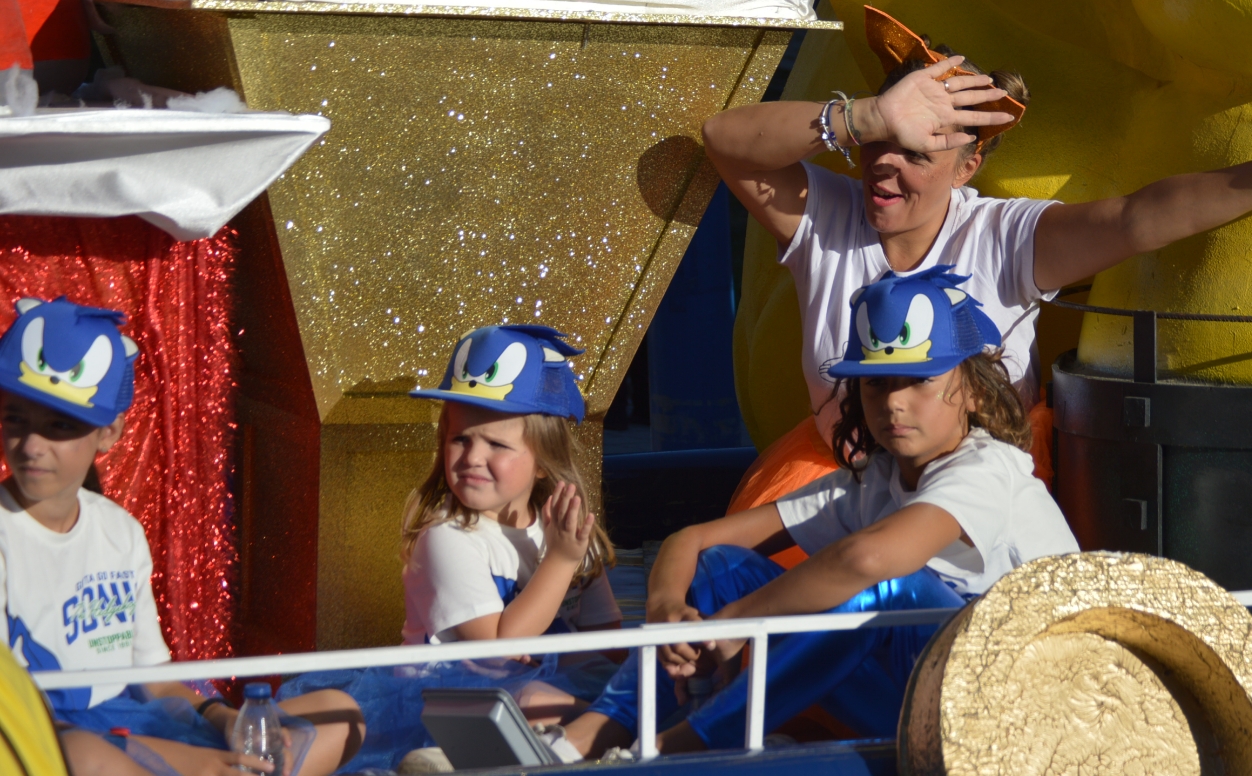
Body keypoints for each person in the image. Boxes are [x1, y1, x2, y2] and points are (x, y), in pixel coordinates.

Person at [707, 6, 1252, 514]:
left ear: (967, 165)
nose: (885, 167)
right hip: (848, 482)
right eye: (878, 145)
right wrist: (863, 116)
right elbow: (721, 139)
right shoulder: (828, 214)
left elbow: (1138, 219)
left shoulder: (1002, 237)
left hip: (970, 497)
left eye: (916, 152)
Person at [552, 266, 1080, 759]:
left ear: (971, 391)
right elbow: (693, 541)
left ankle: (677, 748)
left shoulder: (988, 468)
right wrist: (668, 609)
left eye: (918, 379)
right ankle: (587, 740)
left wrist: (740, 620)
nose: (894, 402)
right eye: (876, 382)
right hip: (919, 705)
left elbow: (870, 560)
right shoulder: (875, 480)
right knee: (722, 567)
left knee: (891, 592)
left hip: (1014, 718)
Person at [0, 296, 364, 776]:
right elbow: (18, 713)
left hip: (138, 722)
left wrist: (225, 720)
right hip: (50, 736)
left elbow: (154, 679)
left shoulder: (119, 531)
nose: (31, 445)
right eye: (14, 419)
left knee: (341, 712)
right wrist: (193, 762)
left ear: (108, 433)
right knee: (87, 760)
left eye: (60, 425)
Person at [279, 323, 621, 771]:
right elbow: (496, 650)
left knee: (611, 689)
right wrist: (559, 561)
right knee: (531, 698)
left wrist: (614, 686)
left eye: (496, 444)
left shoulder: (566, 532)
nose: (472, 457)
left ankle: (610, 740)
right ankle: (462, 759)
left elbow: (606, 643)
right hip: (448, 700)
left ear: (544, 463)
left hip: (540, 686)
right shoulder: (447, 537)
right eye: (460, 438)